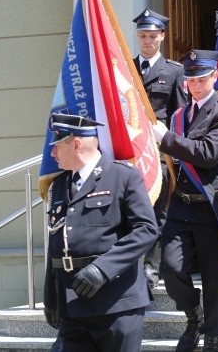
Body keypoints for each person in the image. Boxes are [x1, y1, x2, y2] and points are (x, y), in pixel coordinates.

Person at [43, 113, 159, 352]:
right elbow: (56, 245)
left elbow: (146, 230)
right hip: (72, 304)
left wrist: (102, 269)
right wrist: (51, 298)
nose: (52, 153)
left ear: (76, 144)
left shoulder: (122, 176)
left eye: (56, 147)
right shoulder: (59, 186)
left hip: (116, 302)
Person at [151, 49, 218, 352]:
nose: (195, 84)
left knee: (214, 276)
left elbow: (207, 154)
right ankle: (194, 314)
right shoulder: (178, 116)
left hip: (212, 205)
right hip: (181, 204)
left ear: (214, 77)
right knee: (170, 268)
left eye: (202, 78)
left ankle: (212, 336)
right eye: (190, 78)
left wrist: (167, 139)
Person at [132, 8, 187, 288]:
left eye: (153, 36)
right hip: (130, 153)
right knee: (130, 210)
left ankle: (151, 269)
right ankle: (129, 267)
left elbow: (180, 116)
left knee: (157, 212)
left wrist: (175, 154)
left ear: (162, 37)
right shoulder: (126, 70)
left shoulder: (175, 72)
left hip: (158, 151)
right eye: (142, 35)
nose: (147, 41)